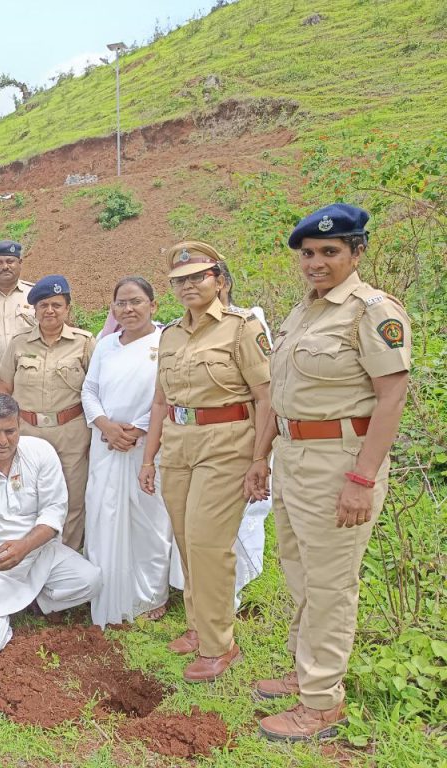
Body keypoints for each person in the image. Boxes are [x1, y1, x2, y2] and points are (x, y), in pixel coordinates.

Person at [254, 205, 411, 741]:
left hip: (339, 462)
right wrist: (262, 456)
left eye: (330, 251)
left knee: (330, 584)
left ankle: (322, 702)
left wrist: (363, 478)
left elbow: (391, 397)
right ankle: (306, 674)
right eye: (308, 254)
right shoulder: (304, 313)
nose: (316, 262)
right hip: (294, 457)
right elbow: (279, 394)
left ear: (356, 252)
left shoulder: (371, 311)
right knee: (299, 572)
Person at [138, 243, 272, 683]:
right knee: (185, 539)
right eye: (180, 280)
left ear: (219, 278)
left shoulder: (241, 328)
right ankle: (198, 626)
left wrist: (260, 458)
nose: (189, 285)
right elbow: (160, 400)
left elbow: (265, 396)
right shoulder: (170, 335)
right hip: (178, 445)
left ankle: (219, 645)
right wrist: (149, 456)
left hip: (227, 444)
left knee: (208, 543)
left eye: (198, 277)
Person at [0, 394, 102, 658]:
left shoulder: (40, 452)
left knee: (90, 581)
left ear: (20, 427)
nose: (3, 441)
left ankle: (32, 602)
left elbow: (54, 511)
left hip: (37, 556)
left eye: (10, 431)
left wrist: (24, 547)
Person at [82, 278, 174, 626]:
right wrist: (105, 424)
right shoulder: (105, 346)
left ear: (154, 305)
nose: (128, 309)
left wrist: (138, 429)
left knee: (149, 521)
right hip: (106, 447)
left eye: (136, 302)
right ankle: (107, 594)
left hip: (147, 448)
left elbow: (168, 394)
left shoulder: (166, 342)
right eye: (121, 303)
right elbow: (89, 390)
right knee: (103, 515)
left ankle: (151, 596)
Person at [0, 275, 95, 551]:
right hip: (28, 433)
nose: (49, 311)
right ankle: (31, 565)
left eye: (56, 305)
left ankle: (68, 566)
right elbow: (4, 388)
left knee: (73, 500)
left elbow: (96, 389)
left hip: (71, 434)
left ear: (67, 309)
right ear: (35, 310)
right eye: (43, 305)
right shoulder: (19, 344)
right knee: (29, 499)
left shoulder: (85, 343)